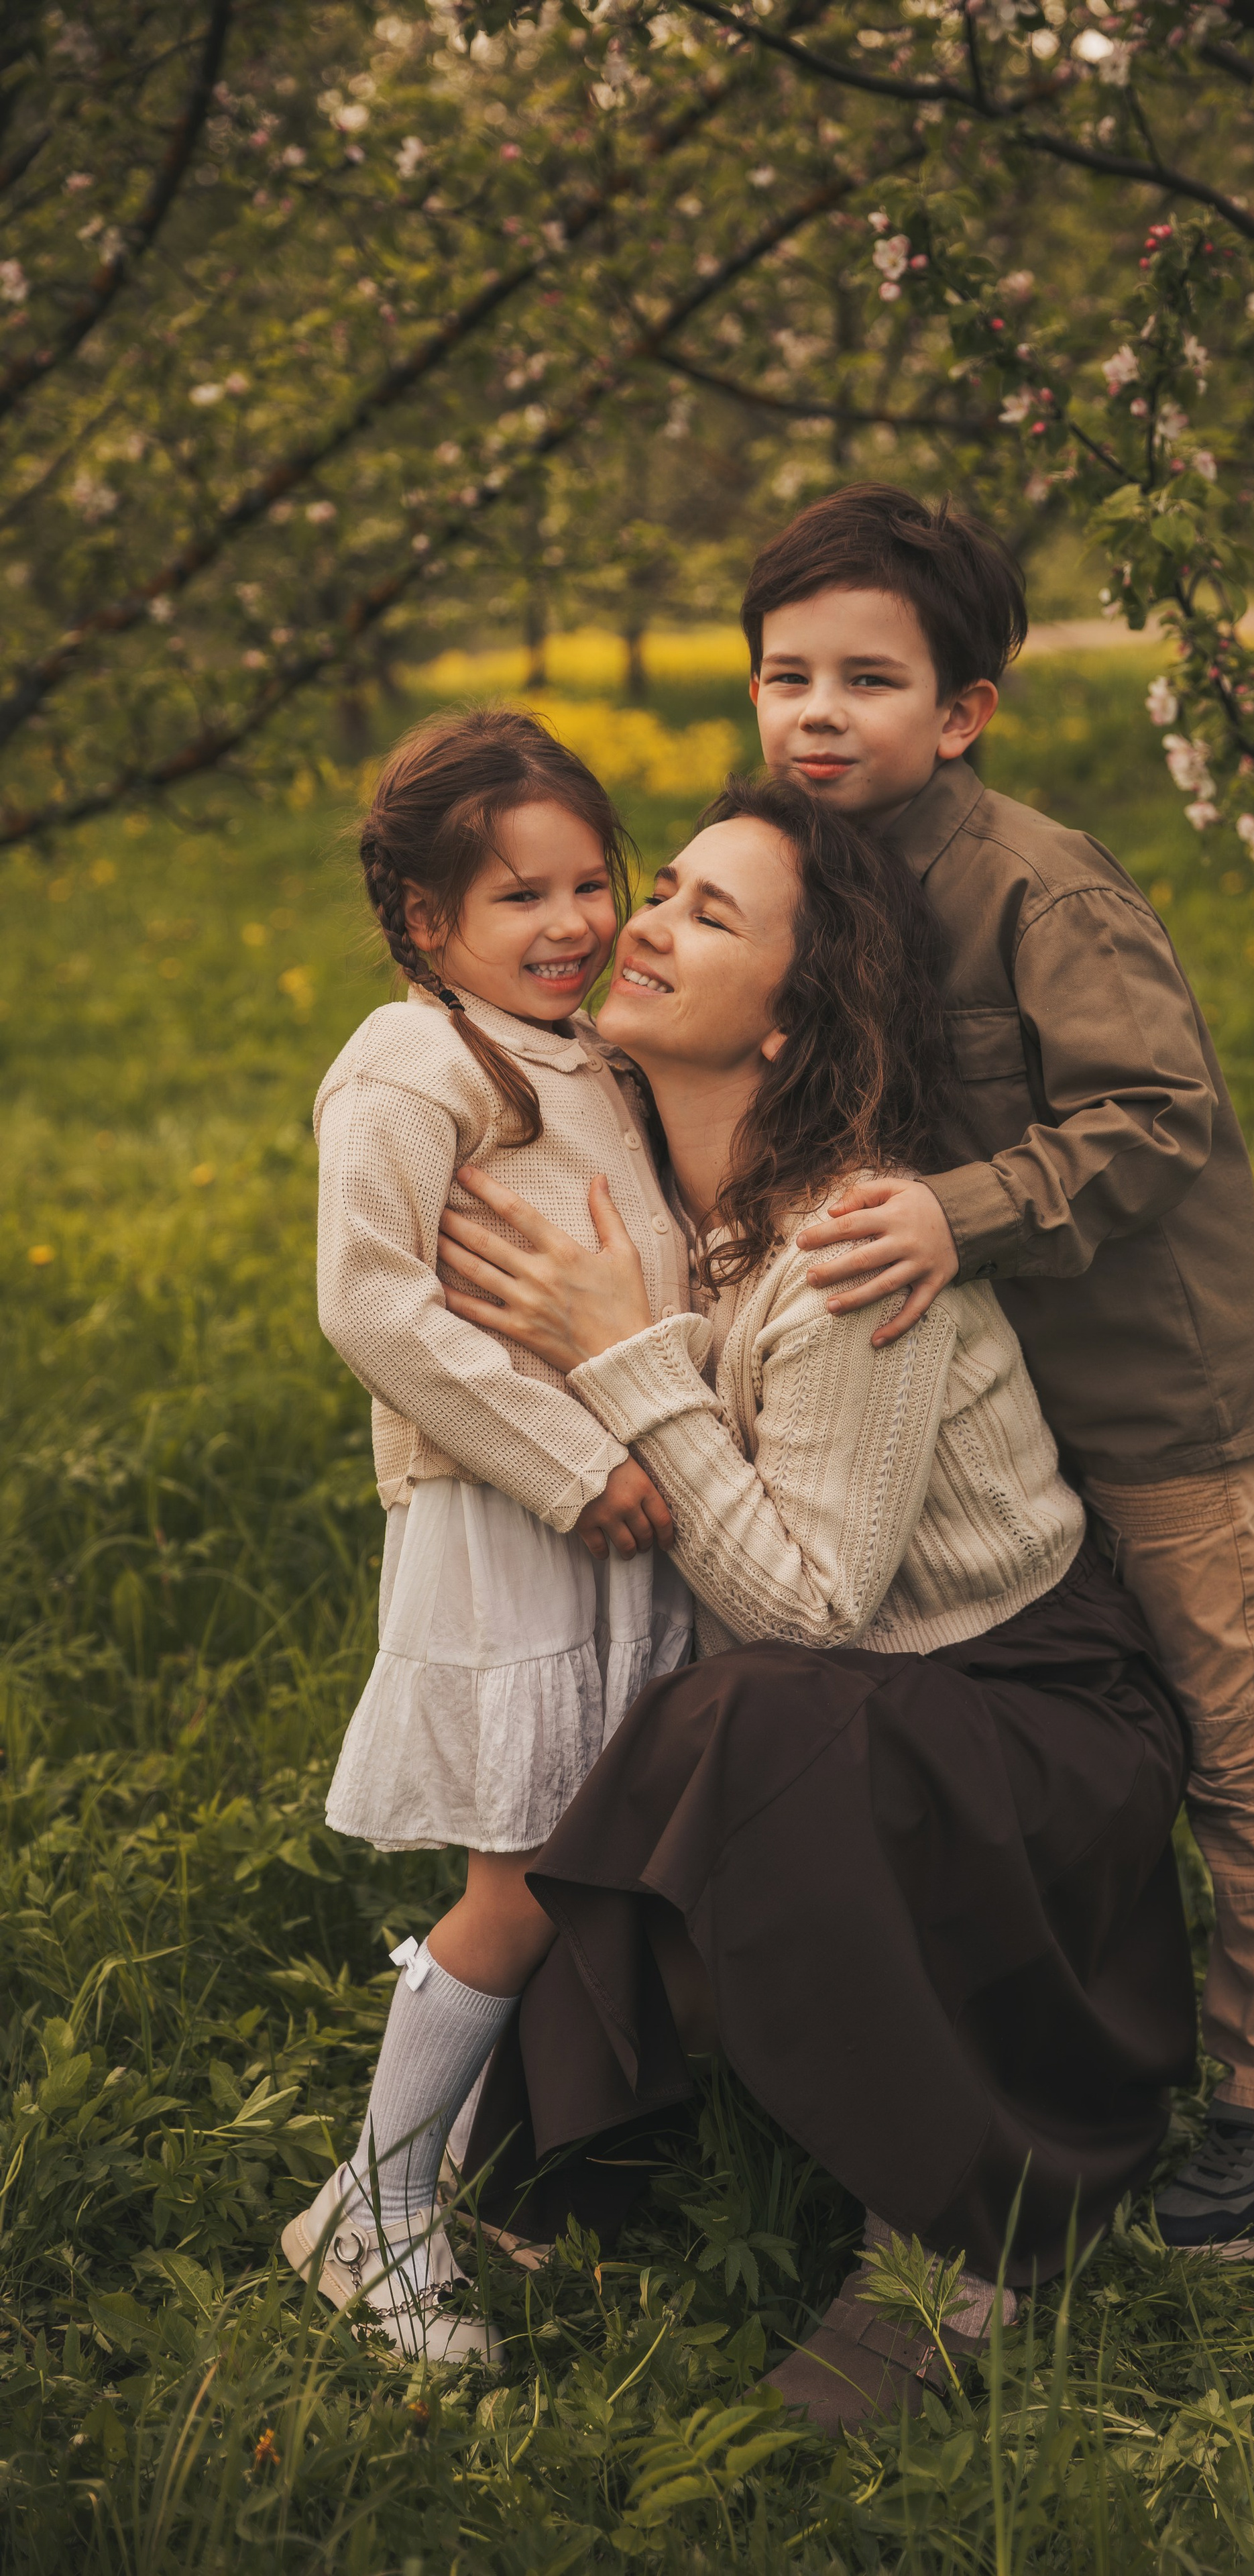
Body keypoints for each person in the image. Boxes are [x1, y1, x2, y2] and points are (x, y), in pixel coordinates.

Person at [435, 774, 1196, 2428]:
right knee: (700, 1713)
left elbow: (809, 1608)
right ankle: (563, 2166)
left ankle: (957, 2232)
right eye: (663, 889)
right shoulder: (660, 1203)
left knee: (749, 1710)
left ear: (790, 1021)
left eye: (709, 915)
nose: (643, 924)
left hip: (1034, 1727)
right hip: (879, 1708)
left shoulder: (847, 1247)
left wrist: (623, 1359)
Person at [740, 484, 1254, 2260]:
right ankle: (1086, 2045)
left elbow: (1157, 1115)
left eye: (868, 681)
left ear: (962, 712)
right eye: (786, 677)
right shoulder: (807, 869)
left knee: (1234, 1729)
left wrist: (958, 1212)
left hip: (1150, 1395)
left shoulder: (1035, 881)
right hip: (986, 1420)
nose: (815, 716)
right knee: (1084, 1735)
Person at [281, 708, 693, 2361]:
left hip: (617, 1507)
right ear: (422, 919)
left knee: (570, 1857)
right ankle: (374, 2212)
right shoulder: (410, 1064)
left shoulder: (587, 1055)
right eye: (520, 896)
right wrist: (570, 1465)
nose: (573, 922)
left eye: (591, 882)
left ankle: (439, 2173)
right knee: (518, 1875)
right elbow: (371, 1303)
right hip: (511, 1515)